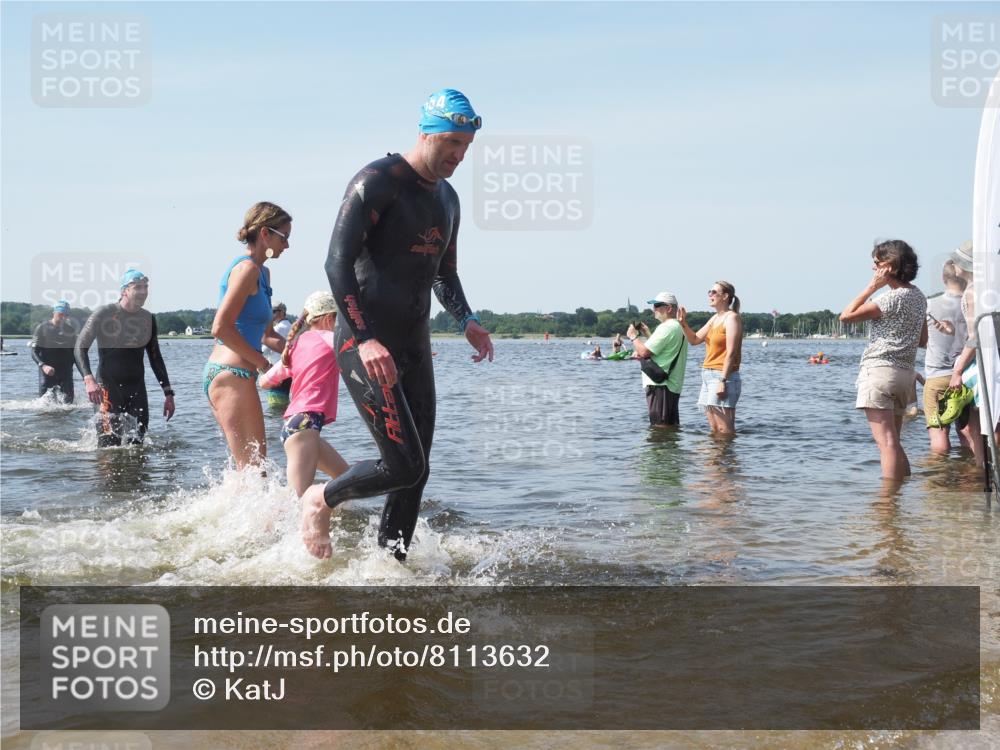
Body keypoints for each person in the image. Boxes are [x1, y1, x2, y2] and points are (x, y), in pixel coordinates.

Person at [300, 88, 494, 561]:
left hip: (412, 345)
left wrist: (466, 319)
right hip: (363, 344)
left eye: (466, 146)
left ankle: (391, 564)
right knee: (402, 463)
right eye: (451, 141)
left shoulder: (447, 200)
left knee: (417, 470)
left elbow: (444, 273)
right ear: (424, 132)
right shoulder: (377, 181)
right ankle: (318, 500)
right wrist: (365, 339)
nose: (458, 154)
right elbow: (337, 264)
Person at [205, 202, 291, 469]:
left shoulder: (263, 273)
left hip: (234, 374)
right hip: (231, 375)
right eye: (284, 237)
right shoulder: (247, 269)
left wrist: (304, 351)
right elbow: (220, 327)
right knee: (255, 471)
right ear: (265, 233)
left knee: (251, 470)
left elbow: (267, 336)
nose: (287, 246)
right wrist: (263, 364)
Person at [840, 240, 927, 481]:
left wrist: (871, 287)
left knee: (887, 444)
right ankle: (901, 493)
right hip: (905, 374)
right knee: (895, 443)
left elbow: (845, 316)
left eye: (877, 263)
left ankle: (887, 504)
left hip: (879, 371)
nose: (873, 267)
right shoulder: (919, 297)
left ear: (888, 266)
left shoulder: (889, 299)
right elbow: (923, 339)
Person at [258, 292, 349, 497]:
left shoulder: (294, 346)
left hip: (298, 424)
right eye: (340, 319)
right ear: (328, 319)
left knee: (347, 479)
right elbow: (361, 353)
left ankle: (332, 518)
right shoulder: (330, 338)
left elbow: (264, 382)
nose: (342, 326)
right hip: (305, 424)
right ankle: (262, 526)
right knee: (295, 500)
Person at [74, 270, 175, 446]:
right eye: (137, 287)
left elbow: (155, 357)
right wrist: (88, 379)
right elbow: (79, 347)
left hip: (137, 390)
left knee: (138, 444)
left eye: (145, 287)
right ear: (124, 291)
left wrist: (168, 393)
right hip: (108, 388)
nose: (143, 291)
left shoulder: (148, 318)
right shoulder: (105, 313)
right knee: (108, 445)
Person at [922, 257, 982, 462]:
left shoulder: (929, 305)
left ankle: (940, 480)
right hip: (967, 375)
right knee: (968, 433)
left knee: (939, 432)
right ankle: (973, 475)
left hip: (937, 376)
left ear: (943, 278)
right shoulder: (974, 303)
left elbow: (922, 340)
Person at [678, 280, 744, 435]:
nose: (710, 295)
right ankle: (715, 459)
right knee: (715, 429)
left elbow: (731, 352)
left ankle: (728, 458)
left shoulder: (731, 318)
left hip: (723, 376)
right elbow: (694, 340)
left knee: (724, 430)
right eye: (709, 292)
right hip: (707, 375)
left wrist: (723, 380)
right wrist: (683, 323)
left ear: (725, 296)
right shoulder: (714, 318)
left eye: (713, 292)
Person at [628, 292, 688, 427]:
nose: (653, 309)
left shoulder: (666, 327)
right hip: (672, 385)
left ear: (668, 308)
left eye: (657, 305)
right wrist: (648, 334)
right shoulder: (679, 326)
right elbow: (663, 350)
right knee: (670, 427)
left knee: (660, 428)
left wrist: (633, 337)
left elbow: (643, 352)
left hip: (661, 386)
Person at [31, 300, 78, 402]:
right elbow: (33, 351)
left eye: (65, 315)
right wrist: (43, 365)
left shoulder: (70, 331)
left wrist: (86, 376)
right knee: (45, 406)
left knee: (69, 406)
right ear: (54, 313)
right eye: (60, 314)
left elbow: (76, 354)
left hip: (66, 372)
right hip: (48, 372)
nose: (63, 317)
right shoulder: (42, 328)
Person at [262, 302, 294, 409]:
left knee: (275, 405)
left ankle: (275, 425)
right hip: (288, 371)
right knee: (284, 402)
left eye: (273, 312)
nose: (271, 314)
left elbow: (265, 350)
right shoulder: (292, 327)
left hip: (277, 370)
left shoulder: (277, 329)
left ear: (282, 312)